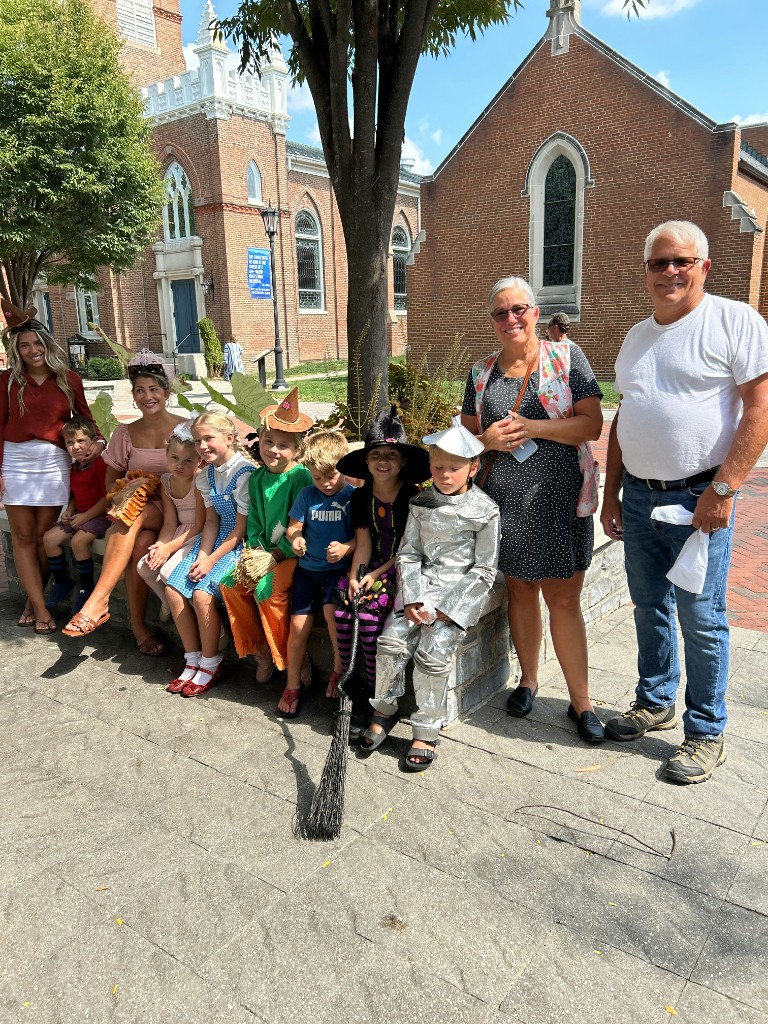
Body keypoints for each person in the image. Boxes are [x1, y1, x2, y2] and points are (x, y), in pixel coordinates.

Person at [600, 220, 768, 784]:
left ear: (704, 267)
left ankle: (705, 731)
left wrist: (723, 490)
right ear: (645, 270)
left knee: (701, 617)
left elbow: (760, 411)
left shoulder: (734, 321)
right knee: (649, 606)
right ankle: (655, 700)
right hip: (641, 496)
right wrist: (612, 491)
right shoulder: (636, 336)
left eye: (681, 261)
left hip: (701, 498)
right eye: (658, 262)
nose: (669, 271)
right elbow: (627, 415)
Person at [461, 277, 605, 744]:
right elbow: (463, 439)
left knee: (563, 599)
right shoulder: (481, 373)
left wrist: (534, 428)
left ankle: (581, 702)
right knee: (521, 591)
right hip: (507, 506)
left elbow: (591, 423)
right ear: (492, 321)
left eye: (519, 309)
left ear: (536, 313)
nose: (511, 319)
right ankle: (527, 680)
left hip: (561, 503)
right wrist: (486, 441)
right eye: (501, 313)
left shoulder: (567, 358)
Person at [360, 417, 499, 771]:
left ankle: (426, 728)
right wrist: (413, 599)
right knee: (390, 643)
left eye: (454, 468)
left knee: (433, 655)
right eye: (438, 467)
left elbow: (485, 568)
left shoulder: (485, 510)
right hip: (420, 589)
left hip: (456, 594)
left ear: (473, 467)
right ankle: (384, 707)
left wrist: (448, 609)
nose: (445, 474)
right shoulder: (421, 503)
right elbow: (408, 553)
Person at [62, 350, 185, 653]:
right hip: (138, 512)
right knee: (140, 542)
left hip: (180, 509)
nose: (147, 396)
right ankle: (139, 627)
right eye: (140, 390)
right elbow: (109, 482)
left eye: (154, 389)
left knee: (135, 513)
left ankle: (99, 599)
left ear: (166, 392)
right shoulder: (125, 432)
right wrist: (128, 489)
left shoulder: (185, 428)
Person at [0, 300, 103, 634]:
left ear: (48, 344)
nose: (32, 350)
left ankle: (34, 600)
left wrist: (98, 443)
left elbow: (86, 419)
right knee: (22, 537)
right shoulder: (7, 382)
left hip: (53, 462)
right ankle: (42, 610)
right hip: (16, 461)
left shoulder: (69, 379)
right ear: (17, 351)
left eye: (37, 343)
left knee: (44, 536)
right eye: (24, 346)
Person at [334, 406, 431, 738]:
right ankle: (352, 687)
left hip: (402, 567)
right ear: (366, 460)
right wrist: (354, 576)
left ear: (403, 460)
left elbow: (409, 547)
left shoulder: (413, 497)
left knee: (374, 623)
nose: (384, 461)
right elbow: (362, 543)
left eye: (392, 454)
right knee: (346, 613)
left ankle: (378, 700)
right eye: (377, 454)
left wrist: (376, 576)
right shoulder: (361, 497)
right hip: (372, 566)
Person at [219, 387, 314, 683]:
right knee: (230, 585)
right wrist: (256, 554)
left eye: (283, 445)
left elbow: (302, 525)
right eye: (268, 441)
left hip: (293, 554)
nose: (273, 450)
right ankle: (260, 650)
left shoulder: (301, 478)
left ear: (296, 450)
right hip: (264, 553)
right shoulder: (258, 478)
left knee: (267, 591)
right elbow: (256, 524)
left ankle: (290, 657)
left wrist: (276, 555)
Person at [165, 412, 258, 697]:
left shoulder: (244, 473)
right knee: (174, 586)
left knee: (203, 594)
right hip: (215, 539)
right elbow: (212, 521)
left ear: (229, 438)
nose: (202, 446)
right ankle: (191, 658)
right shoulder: (206, 474)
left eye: (209, 438)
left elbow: (240, 529)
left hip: (236, 544)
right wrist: (201, 555)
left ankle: (211, 661)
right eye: (197, 440)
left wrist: (212, 559)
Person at [279, 431, 356, 718]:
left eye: (331, 475)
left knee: (331, 617)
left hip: (336, 573)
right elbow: (293, 526)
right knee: (298, 627)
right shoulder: (307, 495)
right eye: (317, 477)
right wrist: (295, 538)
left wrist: (347, 548)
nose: (324, 483)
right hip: (308, 572)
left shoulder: (352, 497)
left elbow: (363, 538)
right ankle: (292, 684)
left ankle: (338, 671)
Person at [136, 422, 205, 622]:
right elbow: (169, 523)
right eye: (174, 458)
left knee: (168, 572)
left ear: (199, 461)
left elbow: (200, 525)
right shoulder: (166, 481)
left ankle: (192, 614)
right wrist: (161, 544)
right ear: (166, 455)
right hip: (178, 533)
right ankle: (167, 601)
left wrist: (170, 548)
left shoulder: (199, 481)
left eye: (188, 461)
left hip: (197, 536)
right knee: (144, 567)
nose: (180, 466)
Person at [43, 416, 110, 616]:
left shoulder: (101, 465)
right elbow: (74, 495)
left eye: (81, 441)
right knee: (49, 538)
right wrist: (71, 511)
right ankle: (62, 580)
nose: (76, 447)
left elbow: (108, 498)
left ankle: (86, 587)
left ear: (93, 441)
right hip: (81, 515)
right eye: (70, 443)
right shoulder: (76, 467)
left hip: (101, 516)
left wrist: (84, 517)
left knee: (79, 541)